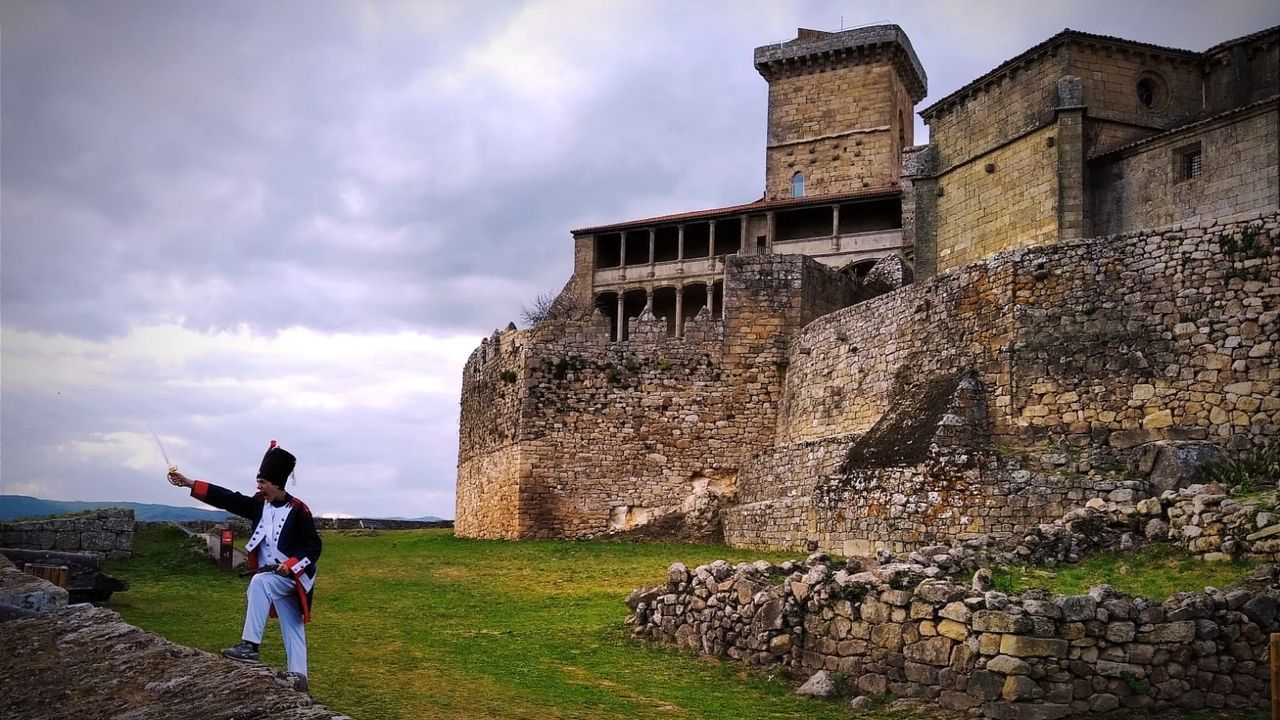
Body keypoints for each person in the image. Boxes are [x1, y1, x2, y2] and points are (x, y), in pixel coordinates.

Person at [168, 441, 321, 690]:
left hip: (293, 577)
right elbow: (228, 499)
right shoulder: (259, 504)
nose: (258, 486)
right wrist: (189, 483)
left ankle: (250, 647)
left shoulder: (299, 510)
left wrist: (292, 565)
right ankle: (299, 680)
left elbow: (313, 547)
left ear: (276, 483)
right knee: (288, 621)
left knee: (265, 589)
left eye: (262, 482)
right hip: (272, 576)